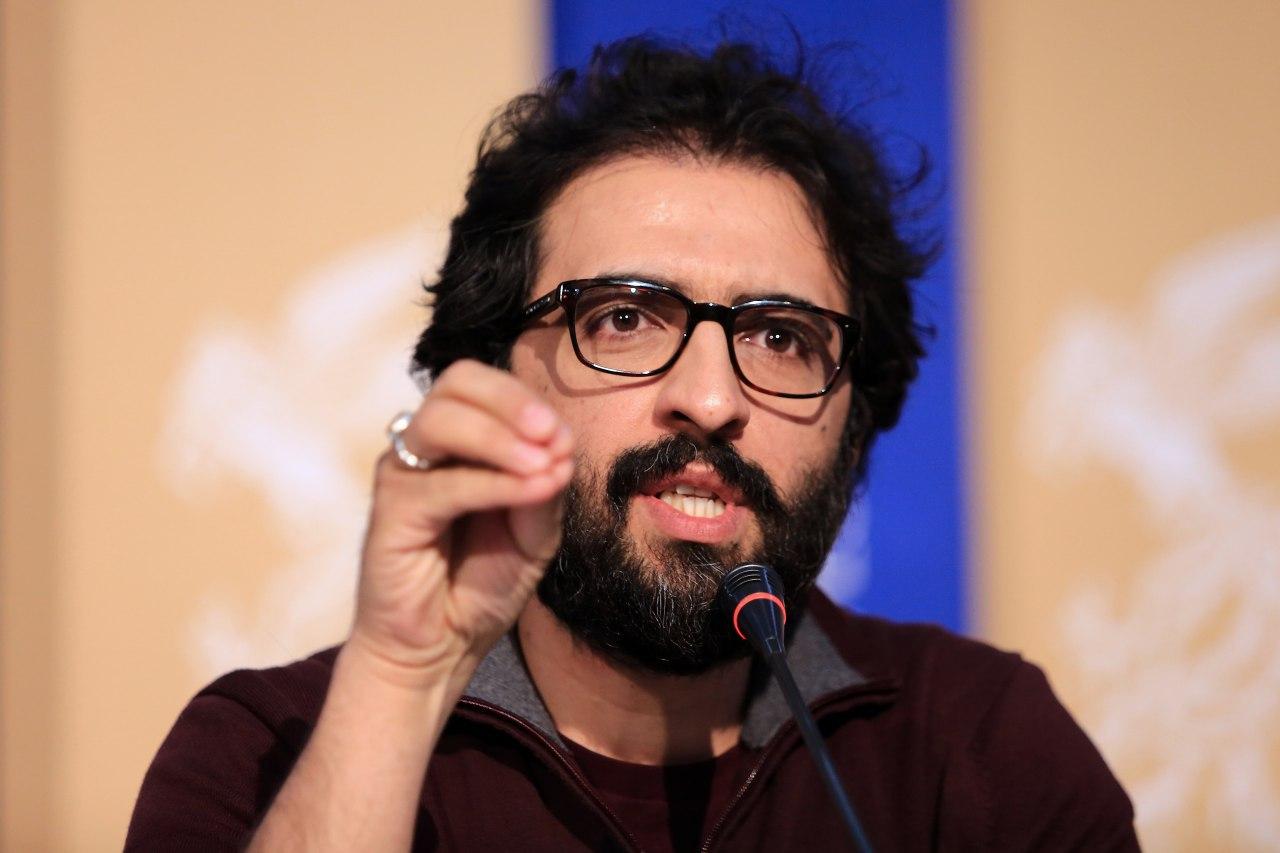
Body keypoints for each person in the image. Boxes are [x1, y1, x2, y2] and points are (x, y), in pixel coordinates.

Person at [126, 36, 1138, 852]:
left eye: (779, 337)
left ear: (852, 416)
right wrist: (397, 677)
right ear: (487, 375)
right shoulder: (269, 750)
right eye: (622, 319)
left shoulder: (979, 746)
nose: (709, 399)